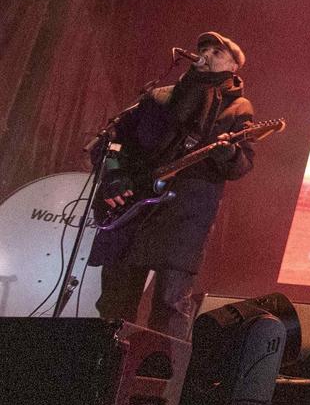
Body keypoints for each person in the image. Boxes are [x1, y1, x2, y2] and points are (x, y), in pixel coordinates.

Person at [89, 32, 257, 357]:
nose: (206, 54)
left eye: (217, 52)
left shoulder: (237, 109)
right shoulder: (161, 95)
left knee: (169, 307)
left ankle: (155, 391)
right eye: (203, 49)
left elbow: (242, 165)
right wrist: (114, 178)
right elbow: (111, 141)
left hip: (183, 219)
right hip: (135, 207)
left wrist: (225, 152)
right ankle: (97, 375)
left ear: (235, 66)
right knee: (114, 304)